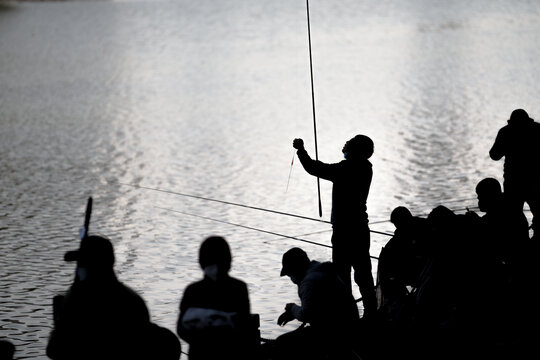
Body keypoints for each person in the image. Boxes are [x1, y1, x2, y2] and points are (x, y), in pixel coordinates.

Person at [46, 235, 181, 360]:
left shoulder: (78, 302)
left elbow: (55, 351)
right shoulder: (133, 300)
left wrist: (58, 322)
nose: (78, 268)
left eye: (81, 263)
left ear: (87, 267)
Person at [292, 135, 377, 317]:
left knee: (342, 277)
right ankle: (371, 314)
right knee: (364, 275)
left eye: (350, 143)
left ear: (356, 150)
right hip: (361, 229)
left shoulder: (347, 168)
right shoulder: (365, 168)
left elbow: (314, 168)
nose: (345, 143)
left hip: (344, 232)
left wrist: (301, 150)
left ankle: (346, 317)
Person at [176, 236, 256, 360]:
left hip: (200, 354)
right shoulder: (238, 288)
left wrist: (201, 340)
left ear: (201, 263)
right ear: (229, 261)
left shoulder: (193, 290)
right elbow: (245, 327)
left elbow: (181, 329)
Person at [273, 247, 360, 360]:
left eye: (289, 274)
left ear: (296, 268)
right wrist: (293, 312)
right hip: (348, 327)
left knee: (282, 342)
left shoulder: (309, 281)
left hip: (336, 334)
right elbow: (317, 310)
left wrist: (293, 308)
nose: (291, 278)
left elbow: (306, 314)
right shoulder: (321, 271)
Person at [489, 108, 540, 240]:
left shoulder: (506, 131)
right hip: (534, 180)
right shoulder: (537, 129)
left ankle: (519, 243)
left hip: (513, 182)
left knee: (514, 216)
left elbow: (494, 155)